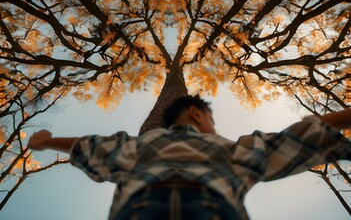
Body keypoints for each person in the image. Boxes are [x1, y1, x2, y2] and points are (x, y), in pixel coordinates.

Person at [28, 95, 351, 220]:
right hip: (215, 208)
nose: (214, 127)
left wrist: (46, 141)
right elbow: (295, 138)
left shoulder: (143, 142)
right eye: (213, 120)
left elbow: (91, 146)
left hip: (139, 208)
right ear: (197, 114)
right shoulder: (231, 147)